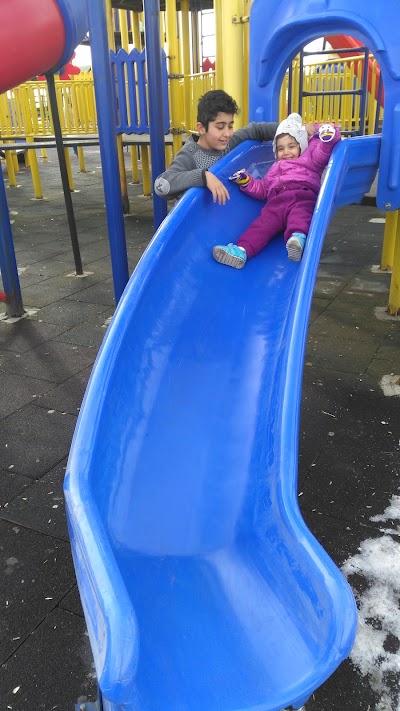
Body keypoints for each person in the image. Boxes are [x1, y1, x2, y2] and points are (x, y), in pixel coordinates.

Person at [212, 113, 341, 265]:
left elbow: (323, 151)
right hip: (277, 202)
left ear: (302, 145)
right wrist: (246, 181)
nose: (286, 152)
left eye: (291, 146)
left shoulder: (309, 158)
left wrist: (325, 136)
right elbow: (263, 189)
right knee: (262, 225)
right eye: (280, 148)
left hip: (302, 194)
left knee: (301, 214)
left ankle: (298, 238)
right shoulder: (274, 169)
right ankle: (242, 250)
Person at [154, 89, 282, 205]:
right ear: (201, 128)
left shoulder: (229, 143)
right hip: (199, 225)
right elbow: (162, 184)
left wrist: (294, 131)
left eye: (230, 126)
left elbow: (257, 130)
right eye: (220, 127)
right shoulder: (190, 155)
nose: (227, 133)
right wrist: (203, 176)